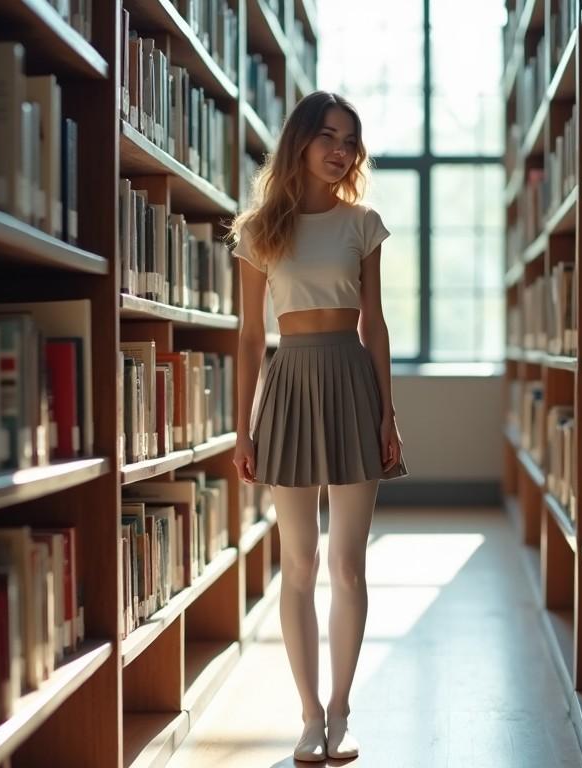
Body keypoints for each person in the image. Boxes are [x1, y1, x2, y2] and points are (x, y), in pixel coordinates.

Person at [229, 90, 409, 762]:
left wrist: (389, 414)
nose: (341, 151)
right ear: (299, 142)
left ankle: (342, 711)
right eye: (329, 137)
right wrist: (241, 430)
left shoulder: (363, 224)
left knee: (349, 565)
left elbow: (376, 326)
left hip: (352, 385)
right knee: (299, 563)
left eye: (350, 141)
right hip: (290, 387)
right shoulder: (257, 231)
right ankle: (308, 717)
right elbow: (250, 338)